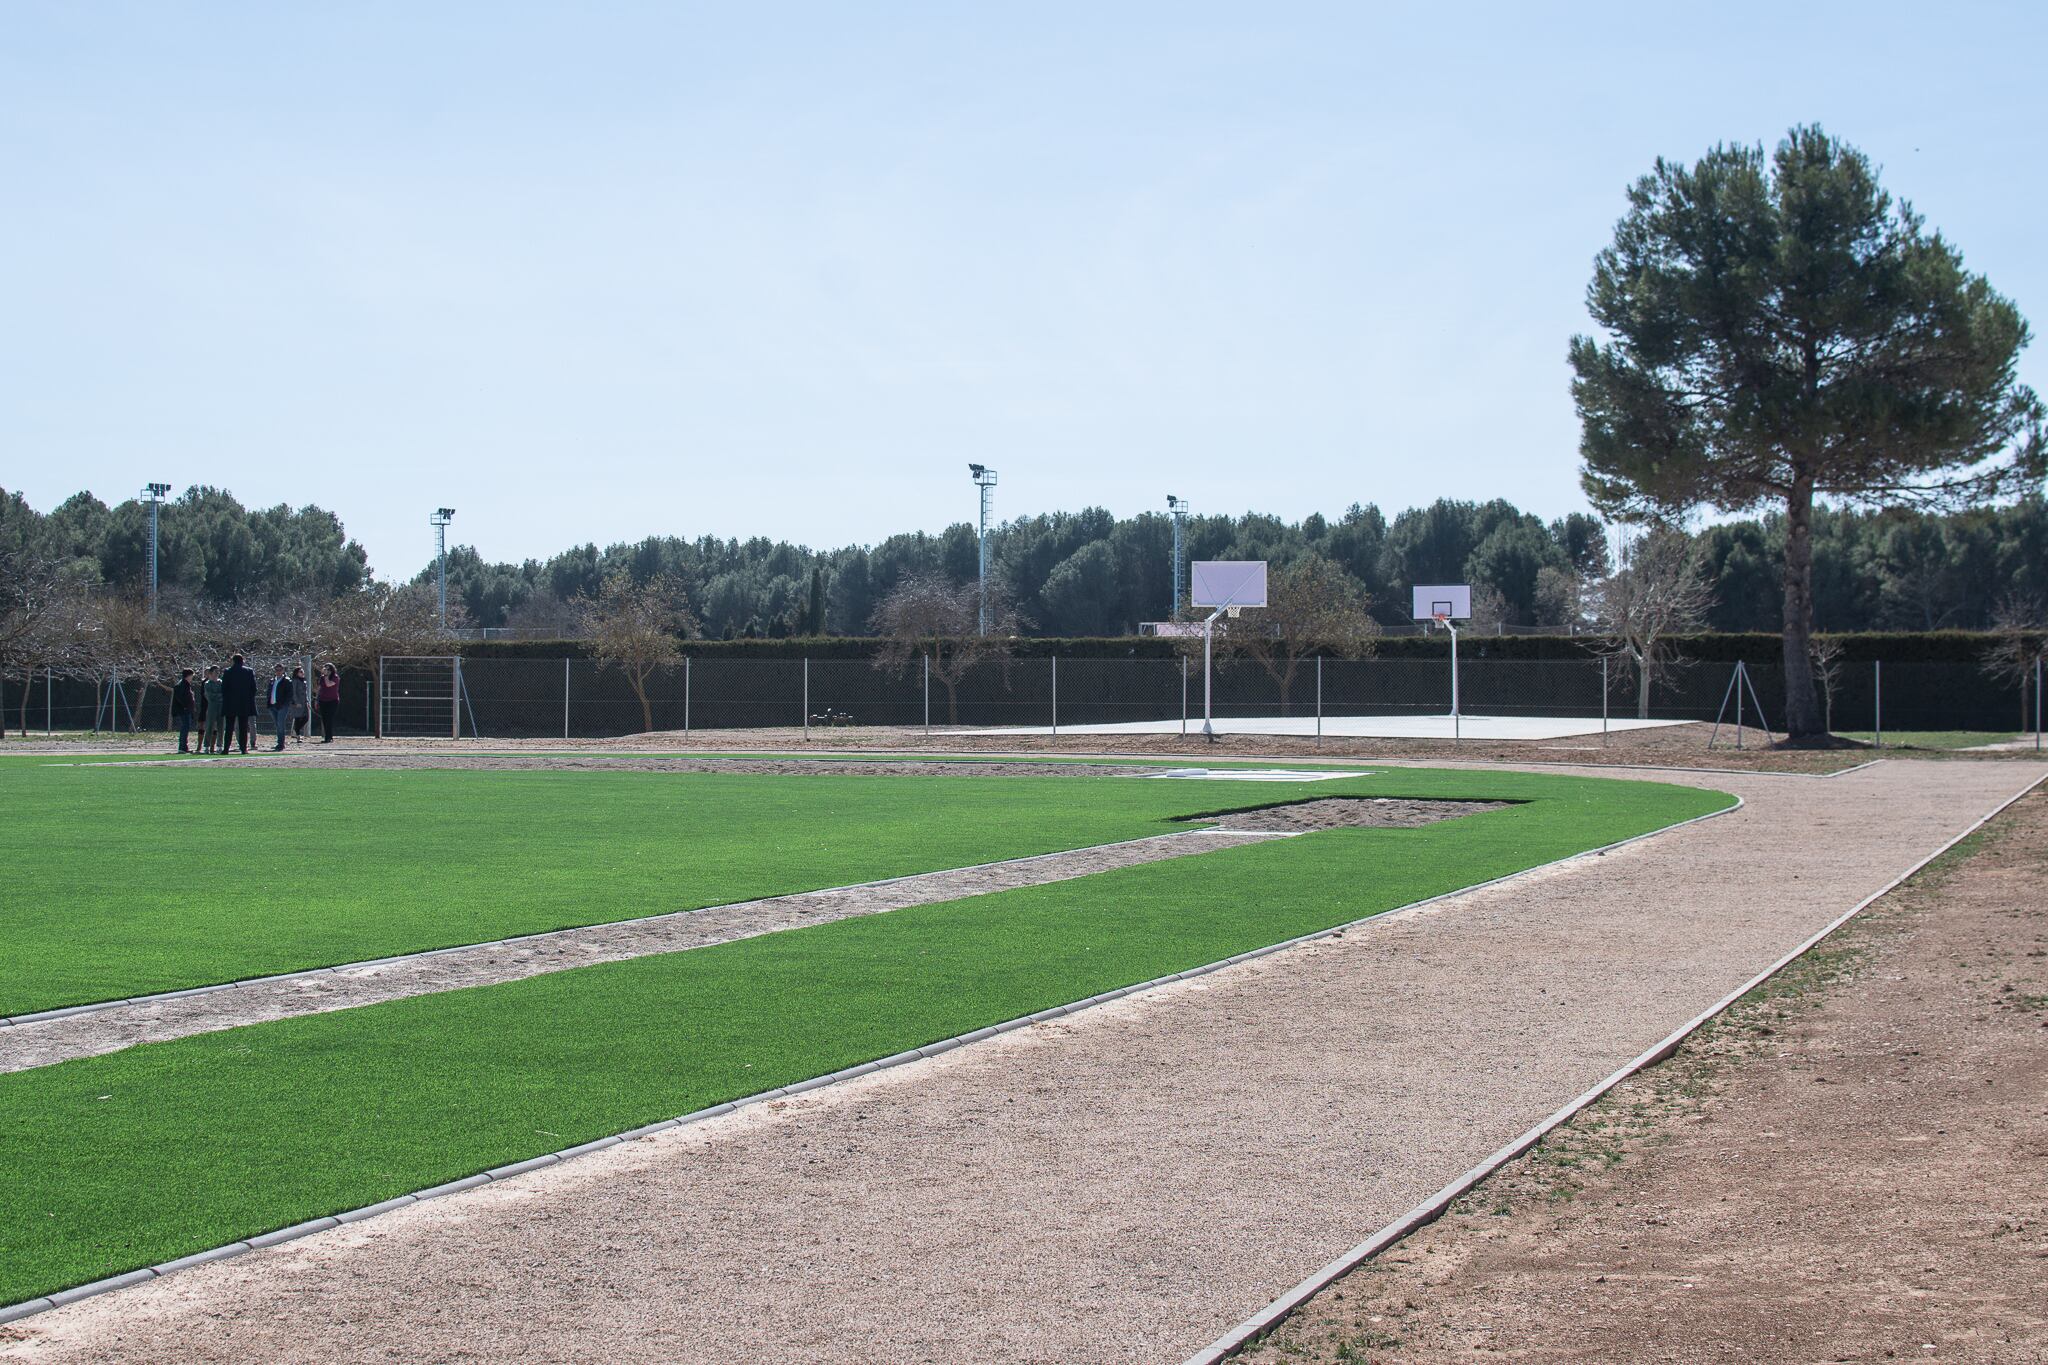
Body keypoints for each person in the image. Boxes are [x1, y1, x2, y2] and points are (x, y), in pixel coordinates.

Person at [221, 654, 258, 754]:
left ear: (233, 661)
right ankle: (243, 748)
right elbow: (253, 688)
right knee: (243, 727)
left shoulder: (228, 672)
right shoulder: (248, 671)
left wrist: (228, 698)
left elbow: (224, 688)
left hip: (230, 703)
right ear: (243, 661)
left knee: (229, 727)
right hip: (244, 703)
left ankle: (226, 748)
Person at [266, 665, 294, 751]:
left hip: (282, 706)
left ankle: (281, 744)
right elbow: (269, 692)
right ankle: (279, 742)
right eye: (276, 670)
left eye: (280, 670)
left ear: (283, 670)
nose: (278, 671)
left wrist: (284, 704)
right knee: (277, 725)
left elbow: (289, 694)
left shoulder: (287, 681)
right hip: (272, 705)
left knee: (280, 724)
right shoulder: (272, 681)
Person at [201, 666, 225, 754]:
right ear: (210, 673)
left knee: (221, 727)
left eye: (218, 672)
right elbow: (209, 696)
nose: (217, 674)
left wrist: (218, 696)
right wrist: (218, 696)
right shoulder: (207, 684)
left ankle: (219, 746)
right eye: (215, 672)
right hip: (212, 707)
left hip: (221, 707)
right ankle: (206, 746)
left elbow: (224, 694)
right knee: (209, 726)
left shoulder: (221, 683)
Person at [171, 669, 196, 753]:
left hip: (186, 710)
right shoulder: (181, 684)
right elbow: (179, 697)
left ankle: (184, 747)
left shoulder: (186, 684)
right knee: (184, 727)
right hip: (183, 710)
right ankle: (182, 747)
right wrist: (185, 706)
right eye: (191, 676)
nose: (192, 678)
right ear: (188, 675)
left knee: (186, 727)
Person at [316, 663, 341, 743]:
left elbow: (328, 684)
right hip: (323, 700)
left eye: (328, 669)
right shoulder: (322, 678)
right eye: (325, 669)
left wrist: (326, 676)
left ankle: (329, 737)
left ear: (331, 670)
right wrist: (317, 700)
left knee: (329, 719)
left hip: (332, 701)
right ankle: (327, 736)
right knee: (324, 719)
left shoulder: (335, 677)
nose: (326, 670)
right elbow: (319, 689)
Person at [290, 666, 310, 743]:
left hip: (304, 703)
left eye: (303, 672)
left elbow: (305, 693)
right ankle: (298, 735)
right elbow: (293, 692)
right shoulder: (294, 681)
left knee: (306, 718)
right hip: (297, 703)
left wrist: (307, 701)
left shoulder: (303, 681)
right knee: (298, 718)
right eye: (301, 672)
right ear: (296, 673)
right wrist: (296, 702)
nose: (303, 673)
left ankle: (295, 730)